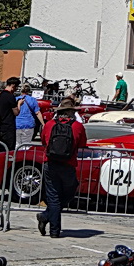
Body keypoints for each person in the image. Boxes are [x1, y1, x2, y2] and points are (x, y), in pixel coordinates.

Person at [37, 98, 86, 239]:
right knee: (69, 191)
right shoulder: (77, 126)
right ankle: (48, 220)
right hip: (68, 164)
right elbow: (82, 143)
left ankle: (51, 225)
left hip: (50, 163)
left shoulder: (49, 125)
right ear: (71, 112)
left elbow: (43, 141)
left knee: (53, 197)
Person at [0, 75, 19, 153]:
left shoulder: (0, 96)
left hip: (1, 125)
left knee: (2, 149)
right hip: (9, 126)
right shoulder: (10, 96)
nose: (16, 90)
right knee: (9, 149)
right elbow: (16, 112)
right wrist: (19, 104)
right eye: (16, 87)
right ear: (13, 86)